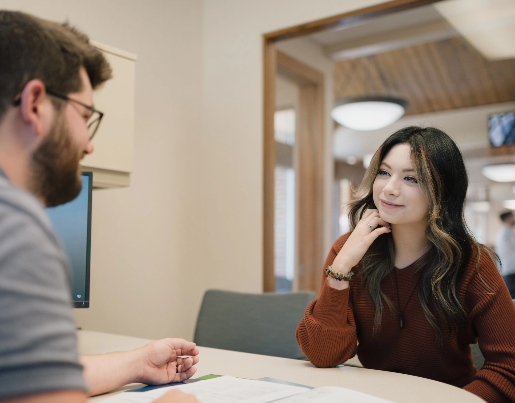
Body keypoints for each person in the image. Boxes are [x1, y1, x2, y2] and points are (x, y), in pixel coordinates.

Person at [0, 10, 199, 403]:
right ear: (35, 104)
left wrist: (137, 362)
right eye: (86, 117)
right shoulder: (15, 229)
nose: (89, 145)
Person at [297, 127, 515, 402]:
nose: (389, 189)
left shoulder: (473, 263)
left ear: (443, 192)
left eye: (411, 178)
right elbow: (322, 355)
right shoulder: (348, 250)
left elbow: (508, 369)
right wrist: (340, 269)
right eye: (384, 172)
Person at [495, 211, 515, 298]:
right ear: (507, 219)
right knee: (511, 296)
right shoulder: (504, 234)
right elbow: (507, 253)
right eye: (512, 216)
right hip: (508, 269)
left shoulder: (509, 232)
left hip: (511, 268)